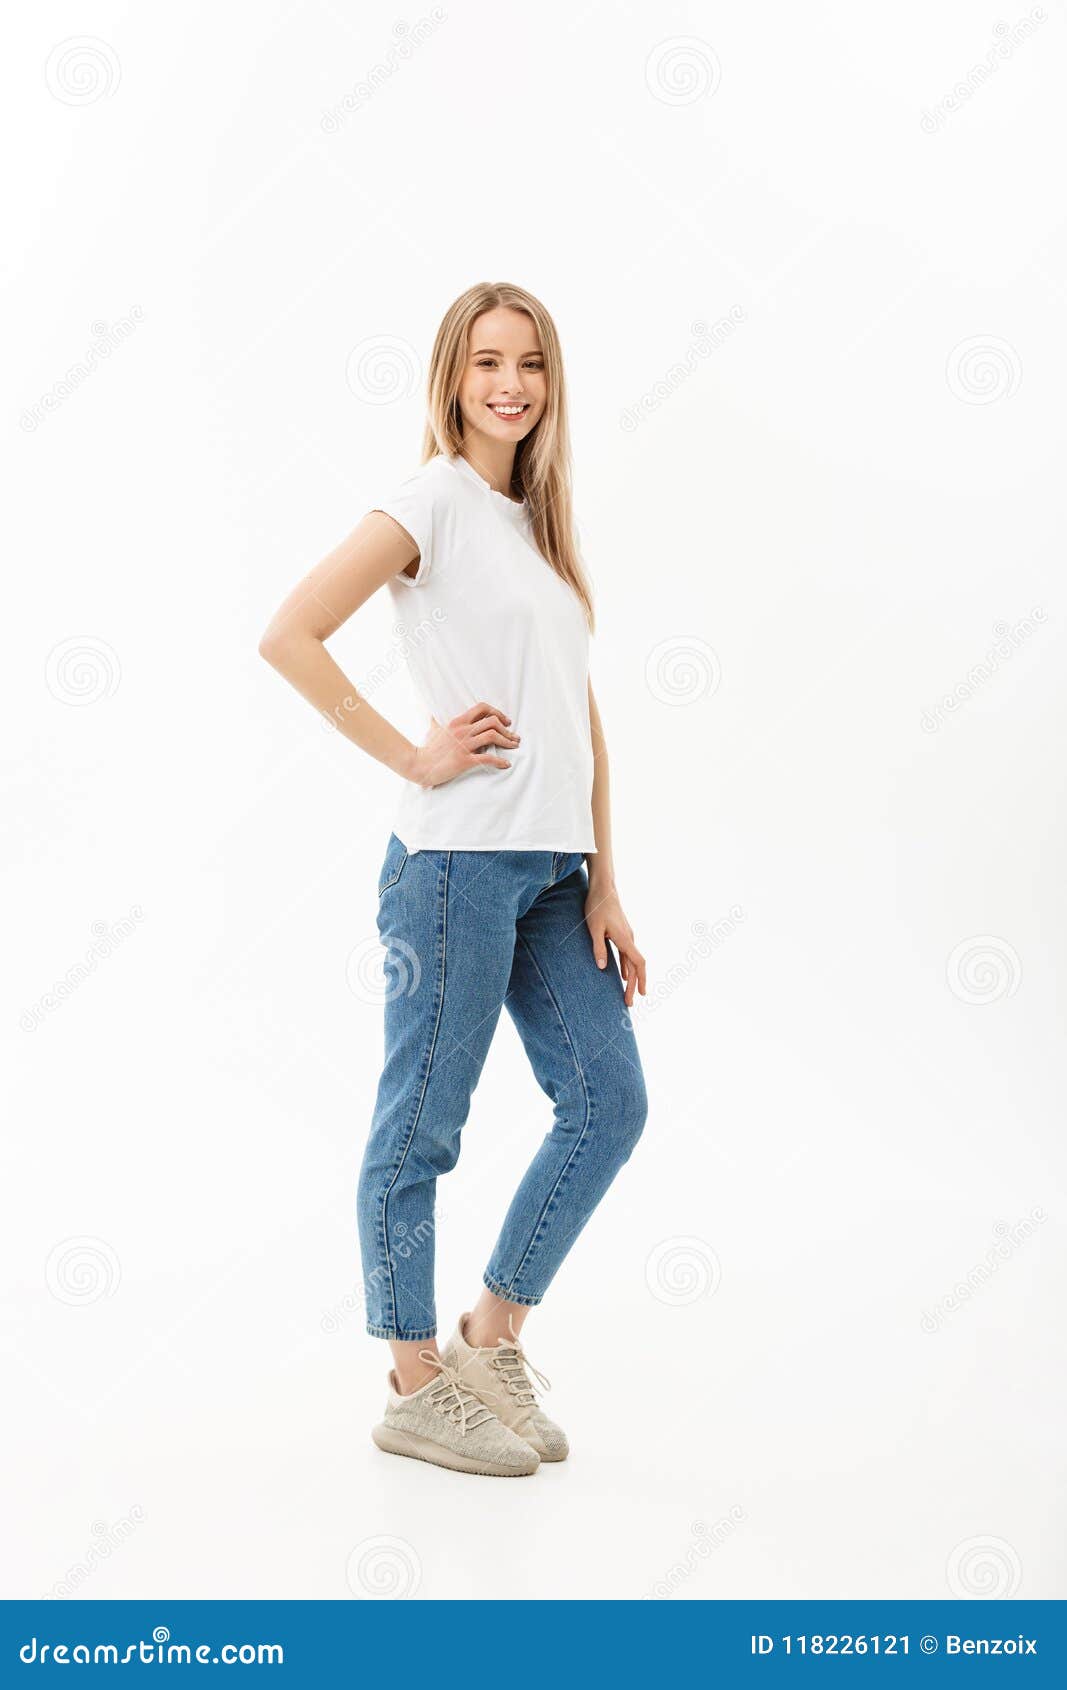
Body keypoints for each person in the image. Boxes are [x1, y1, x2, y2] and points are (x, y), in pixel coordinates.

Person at [259, 282, 648, 1477]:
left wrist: (602, 880)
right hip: (452, 870)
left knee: (608, 1103)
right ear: (453, 375)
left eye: (528, 363)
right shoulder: (430, 497)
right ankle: (414, 1376)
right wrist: (413, 753)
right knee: (421, 1127)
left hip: (548, 874)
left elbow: (576, 714)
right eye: (487, 361)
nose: (510, 384)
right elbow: (289, 632)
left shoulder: (533, 520)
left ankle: (491, 1334)